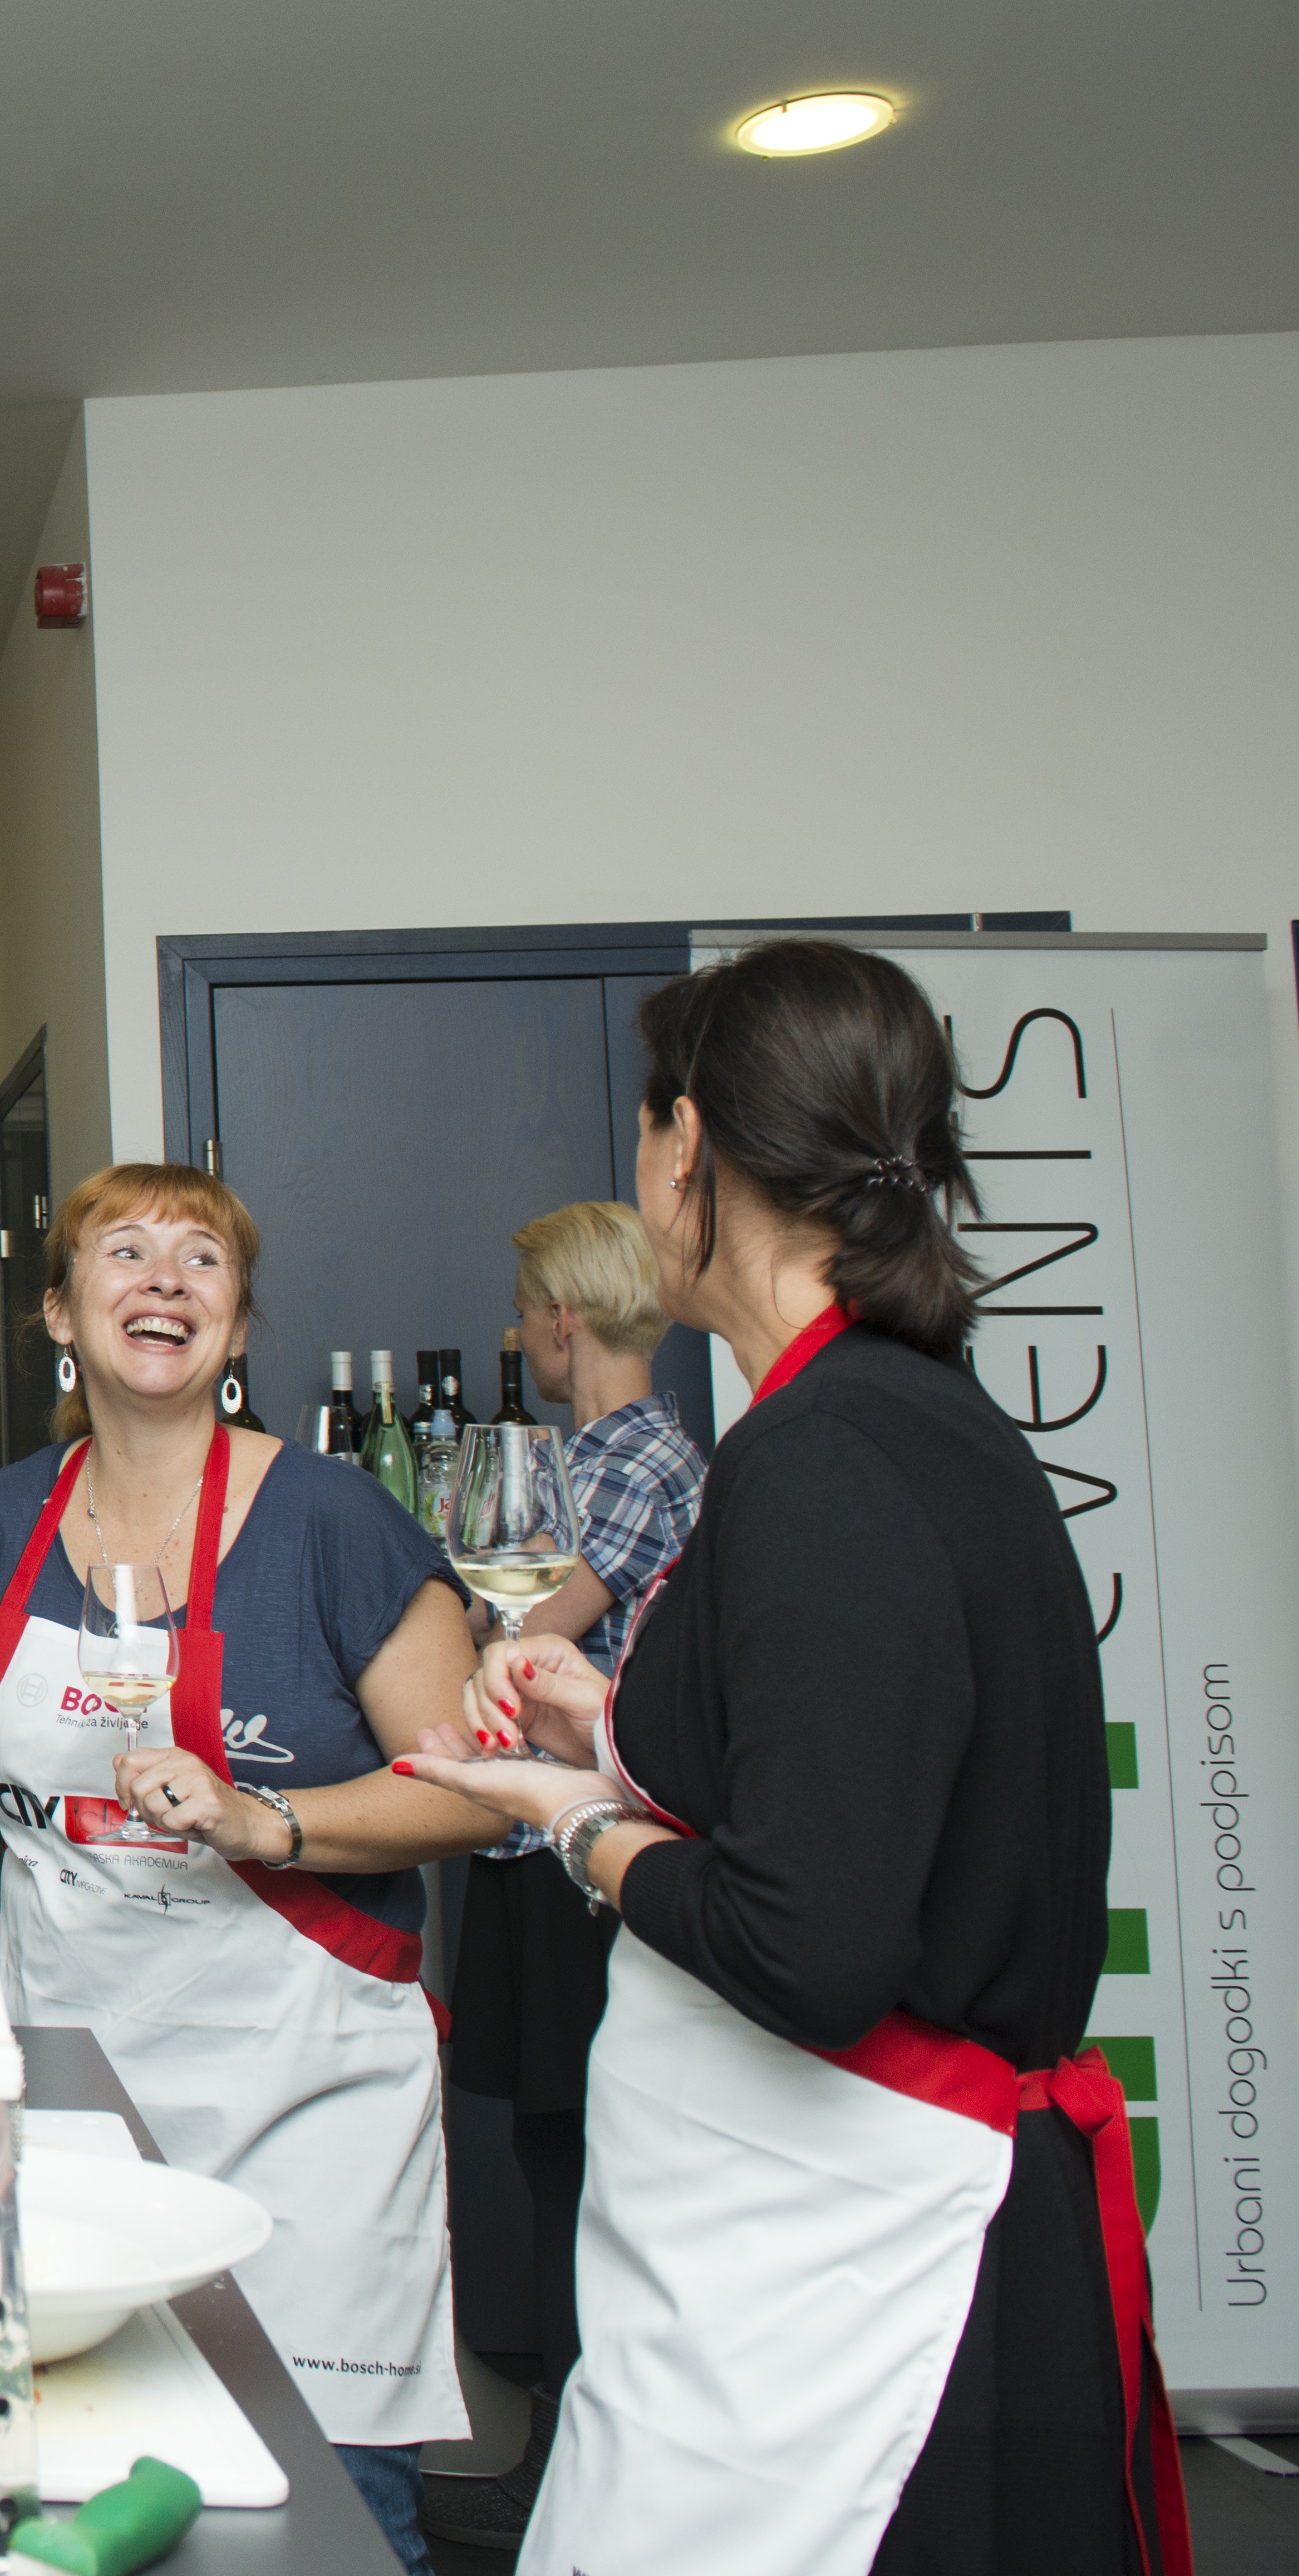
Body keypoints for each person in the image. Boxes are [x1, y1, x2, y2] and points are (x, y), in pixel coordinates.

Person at [407, 941, 1180, 2576]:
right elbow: (854, 1771)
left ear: (684, 1144)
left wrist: (576, 1824)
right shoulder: (904, 1422)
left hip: (843, 2284)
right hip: (818, 2248)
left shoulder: (820, 1462)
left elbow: (806, 1941)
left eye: (643, 1134)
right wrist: (613, 1727)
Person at [0, 1162, 493, 2571]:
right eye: (124, 1252)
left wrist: (265, 1822)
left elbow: (471, 1794)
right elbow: (1, 1793)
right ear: (60, 1311)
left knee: (328, 2521)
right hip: (69, 2095)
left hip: (301, 2098)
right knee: (80, 2487)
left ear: (237, 1327)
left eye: (202, 1259)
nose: (164, 1281)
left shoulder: (335, 1523)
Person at [420, 1197, 707, 2553]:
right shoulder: (597, 1456)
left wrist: (454, 1598)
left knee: (577, 2158)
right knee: (557, 2153)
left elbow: (525, 1639)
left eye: (525, 1306)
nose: (516, 1329)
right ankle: (561, 2468)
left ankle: (571, 2484)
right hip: (553, 1849)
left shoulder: (629, 1461)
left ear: (562, 1316)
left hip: (581, 1852)